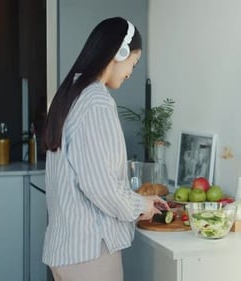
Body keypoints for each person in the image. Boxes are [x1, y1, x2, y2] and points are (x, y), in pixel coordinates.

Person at [42, 17, 168, 281]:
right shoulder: (96, 101)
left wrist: (138, 202)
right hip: (90, 252)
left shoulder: (71, 94)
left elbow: (88, 175)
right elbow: (99, 186)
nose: (131, 72)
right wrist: (138, 205)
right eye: (132, 63)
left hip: (65, 250)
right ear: (119, 53)